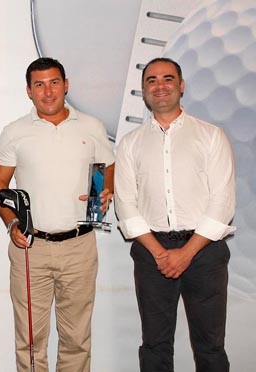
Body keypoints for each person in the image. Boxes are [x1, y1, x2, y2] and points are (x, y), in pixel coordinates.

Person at [0, 57, 115, 372]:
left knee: (76, 339)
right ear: (29, 91)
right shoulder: (15, 131)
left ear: (66, 85)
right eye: (40, 85)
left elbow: (106, 168)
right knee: (30, 340)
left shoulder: (92, 126)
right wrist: (11, 223)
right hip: (30, 248)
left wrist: (105, 193)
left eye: (54, 82)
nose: (48, 92)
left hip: (79, 246)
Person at [114, 57, 235, 372]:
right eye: (152, 80)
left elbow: (223, 202)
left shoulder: (211, 136)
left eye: (168, 79)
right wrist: (160, 252)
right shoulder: (130, 144)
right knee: (155, 345)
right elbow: (125, 203)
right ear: (143, 90)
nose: (160, 86)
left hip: (205, 253)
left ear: (181, 86)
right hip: (151, 253)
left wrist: (186, 252)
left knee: (210, 346)